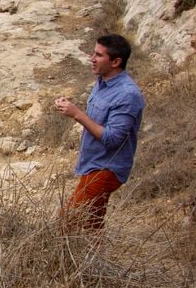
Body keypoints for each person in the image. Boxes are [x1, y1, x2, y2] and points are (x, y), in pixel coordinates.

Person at [54, 34, 145, 231]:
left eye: (98, 55)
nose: (92, 59)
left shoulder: (127, 94)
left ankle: (78, 261)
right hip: (93, 163)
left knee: (69, 223)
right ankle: (94, 259)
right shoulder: (102, 83)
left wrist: (77, 113)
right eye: (93, 53)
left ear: (116, 62)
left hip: (106, 168)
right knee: (91, 224)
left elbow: (112, 139)